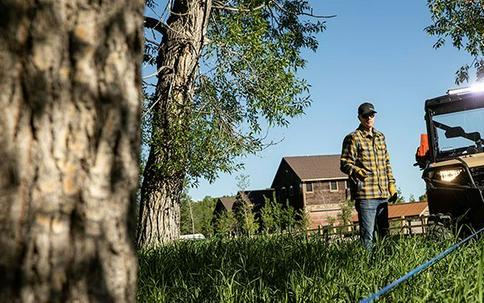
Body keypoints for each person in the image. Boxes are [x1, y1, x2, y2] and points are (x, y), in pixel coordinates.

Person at [340, 102, 397, 250]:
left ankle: (385, 264)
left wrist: (392, 184)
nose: (369, 118)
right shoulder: (353, 138)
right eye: (365, 116)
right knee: (368, 236)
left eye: (371, 115)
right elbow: (344, 163)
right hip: (366, 195)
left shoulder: (380, 137)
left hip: (383, 193)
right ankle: (368, 267)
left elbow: (387, 162)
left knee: (384, 234)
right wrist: (356, 170)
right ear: (359, 117)